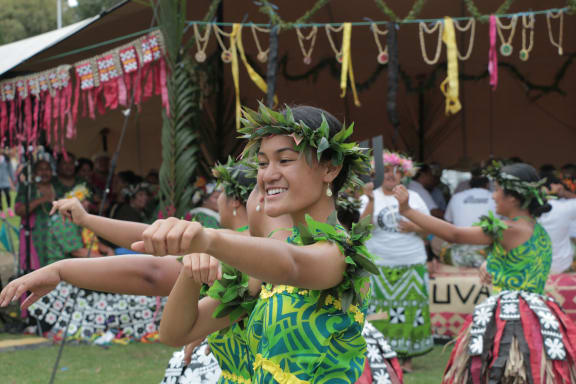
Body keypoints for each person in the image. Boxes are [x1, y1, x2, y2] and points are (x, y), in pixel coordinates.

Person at [138, 103, 378, 383]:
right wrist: (190, 273)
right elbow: (175, 333)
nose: (267, 175)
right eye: (263, 163)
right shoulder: (262, 261)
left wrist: (207, 239)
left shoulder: (340, 255)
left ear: (330, 169)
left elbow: (291, 265)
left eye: (285, 160)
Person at [393, 162, 576, 383]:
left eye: (498, 190)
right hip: (537, 317)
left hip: (514, 322)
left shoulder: (508, 229)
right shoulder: (535, 229)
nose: (493, 196)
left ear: (514, 198)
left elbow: (455, 234)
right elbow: (516, 256)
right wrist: (490, 260)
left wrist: (407, 210)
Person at [360, 151, 433, 372]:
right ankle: (382, 357)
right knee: (379, 312)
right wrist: (371, 200)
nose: (391, 175)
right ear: (376, 174)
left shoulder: (415, 198)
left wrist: (415, 226)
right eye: (386, 171)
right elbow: (360, 231)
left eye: (395, 171)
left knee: (410, 311)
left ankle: (407, 360)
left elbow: (431, 231)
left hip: (411, 263)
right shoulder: (368, 197)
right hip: (379, 265)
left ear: (403, 174)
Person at [441, 170, 495, 267]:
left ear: (470, 185)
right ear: (487, 185)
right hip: (489, 252)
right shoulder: (495, 197)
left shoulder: (456, 197)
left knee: (436, 238)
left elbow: (448, 222)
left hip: (457, 252)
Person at [15, 159, 55, 270]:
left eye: (47, 169)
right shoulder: (28, 188)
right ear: (34, 173)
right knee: (36, 269)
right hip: (34, 234)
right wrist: (41, 200)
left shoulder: (56, 185)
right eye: (40, 170)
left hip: (57, 235)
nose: (44, 172)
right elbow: (19, 211)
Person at [538, 176, 576, 273]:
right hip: (562, 267)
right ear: (552, 186)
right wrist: (565, 193)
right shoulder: (564, 208)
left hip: (536, 269)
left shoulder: (524, 210)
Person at [0, 149, 15, 218]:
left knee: (7, 195)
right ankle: (1, 211)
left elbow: (10, 170)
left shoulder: (6, 159)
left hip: (5, 180)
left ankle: (9, 209)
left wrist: (13, 180)